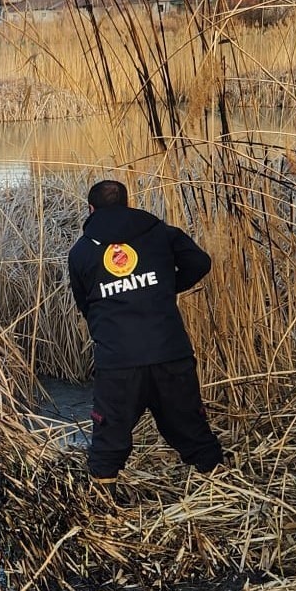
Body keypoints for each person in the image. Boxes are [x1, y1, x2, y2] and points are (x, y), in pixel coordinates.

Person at [67, 179, 224, 493]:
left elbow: (85, 304)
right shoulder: (161, 233)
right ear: (127, 204)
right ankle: (220, 491)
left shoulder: (81, 251)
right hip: (170, 352)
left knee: (109, 440)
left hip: (118, 362)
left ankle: (103, 505)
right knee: (192, 429)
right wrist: (164, 287)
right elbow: (200, 262)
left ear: (91, 209)